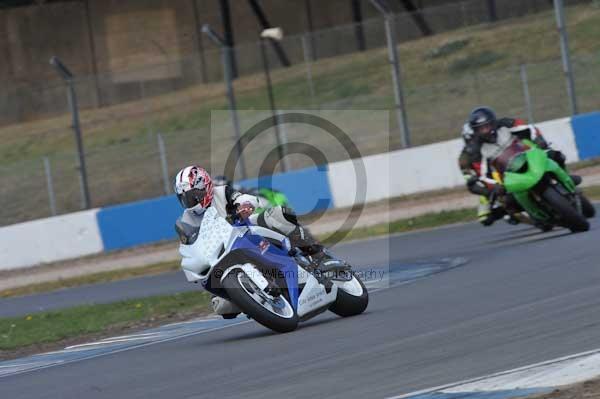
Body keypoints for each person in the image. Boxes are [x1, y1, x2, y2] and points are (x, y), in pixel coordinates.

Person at [174, 166, 328, 318]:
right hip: (220, 254)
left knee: (276, 215)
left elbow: (241, 198)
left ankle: (312, 249)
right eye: (184, 198)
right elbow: (191, 243)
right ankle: (258, 301)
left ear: (204, 187)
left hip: (246, 230)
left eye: (192, 196)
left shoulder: (221, 192)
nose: (190, 202)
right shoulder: (187, 218)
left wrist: (245, 205)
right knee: (221, 306)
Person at [467, 106, 574, 226]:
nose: (485, 131)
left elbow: (529, 129)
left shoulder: (505, 124)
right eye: (480, 129)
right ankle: (535, 215)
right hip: (508, 175)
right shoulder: (476, 150)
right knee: (508, 202)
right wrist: (495, 186)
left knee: (556, 155)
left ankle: (566, 178)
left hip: (528, 157)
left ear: (493, 122)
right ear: (475, 131)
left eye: (486, 126)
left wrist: (539, 141)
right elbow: (482, 174)